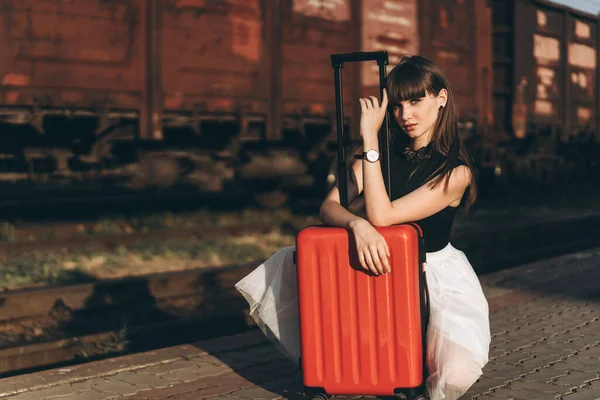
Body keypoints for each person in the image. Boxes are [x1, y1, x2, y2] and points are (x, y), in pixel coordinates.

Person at [236, 55, 491, 400]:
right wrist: (358, 225)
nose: (405, 115)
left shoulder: (455, 172)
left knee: (456, 375)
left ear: (441, 98)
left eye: (416, 101)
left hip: (434, 277)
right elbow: (328, 206)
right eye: (398, 105)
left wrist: (370, 142)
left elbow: (384, 216)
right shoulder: (383, 154)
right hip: (377, 267)